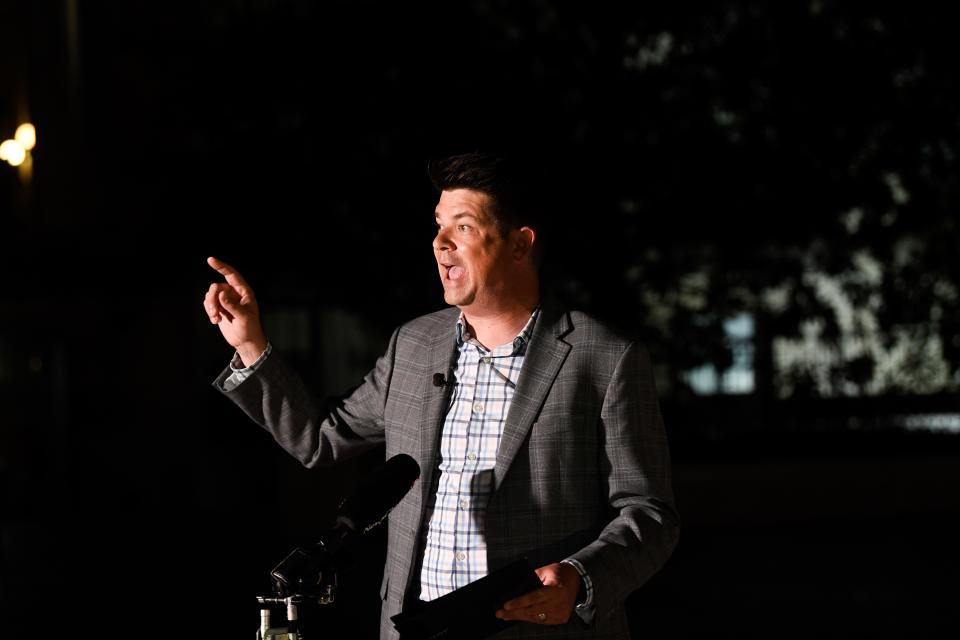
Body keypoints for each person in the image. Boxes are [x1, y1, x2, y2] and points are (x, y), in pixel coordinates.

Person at [204, 152, 679, 639]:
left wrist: (581, 578)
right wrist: (250, 344)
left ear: (519, 245)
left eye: (464, 227)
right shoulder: (413, 345)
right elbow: (319, 440)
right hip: (415, 628)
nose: (439, 243)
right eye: (438, 225)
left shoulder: (603, 357)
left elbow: (649, 514)